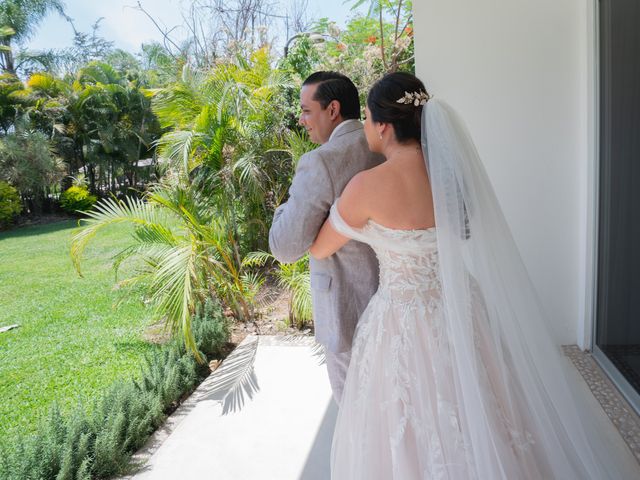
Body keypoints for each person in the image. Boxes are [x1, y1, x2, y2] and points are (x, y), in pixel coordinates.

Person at [310, 72, 630, 479]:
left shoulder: (364, 187)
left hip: (399, 319)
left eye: (370, 119)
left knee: (403, 420)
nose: (368, 128)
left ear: (384, 125)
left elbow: (320, 247)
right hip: (460, 307)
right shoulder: (449, 177)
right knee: (484, 406)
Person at [269, 71, 384, 405]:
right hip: (396, 308)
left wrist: (283, 208)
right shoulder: (389, 146)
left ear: (332, 110)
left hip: (347, 316)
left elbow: (285, 246)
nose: (302, 120)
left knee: (357, 419)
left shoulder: (321, 162)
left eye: (307, 111)